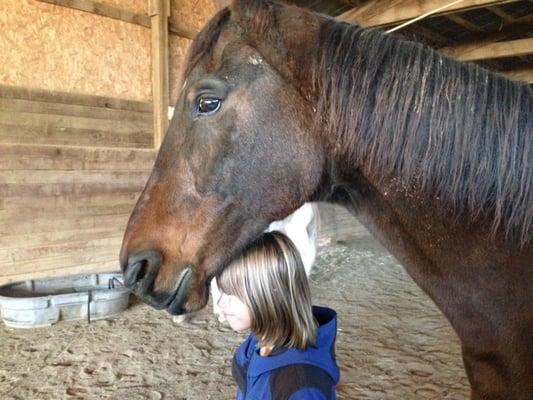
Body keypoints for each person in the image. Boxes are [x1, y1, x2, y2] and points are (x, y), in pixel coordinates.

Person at [217, 231, 339, 400]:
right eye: (221, 291)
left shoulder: (301, 388)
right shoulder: (259, 341)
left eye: (231, 293)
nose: (220, 303)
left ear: (268, 295)